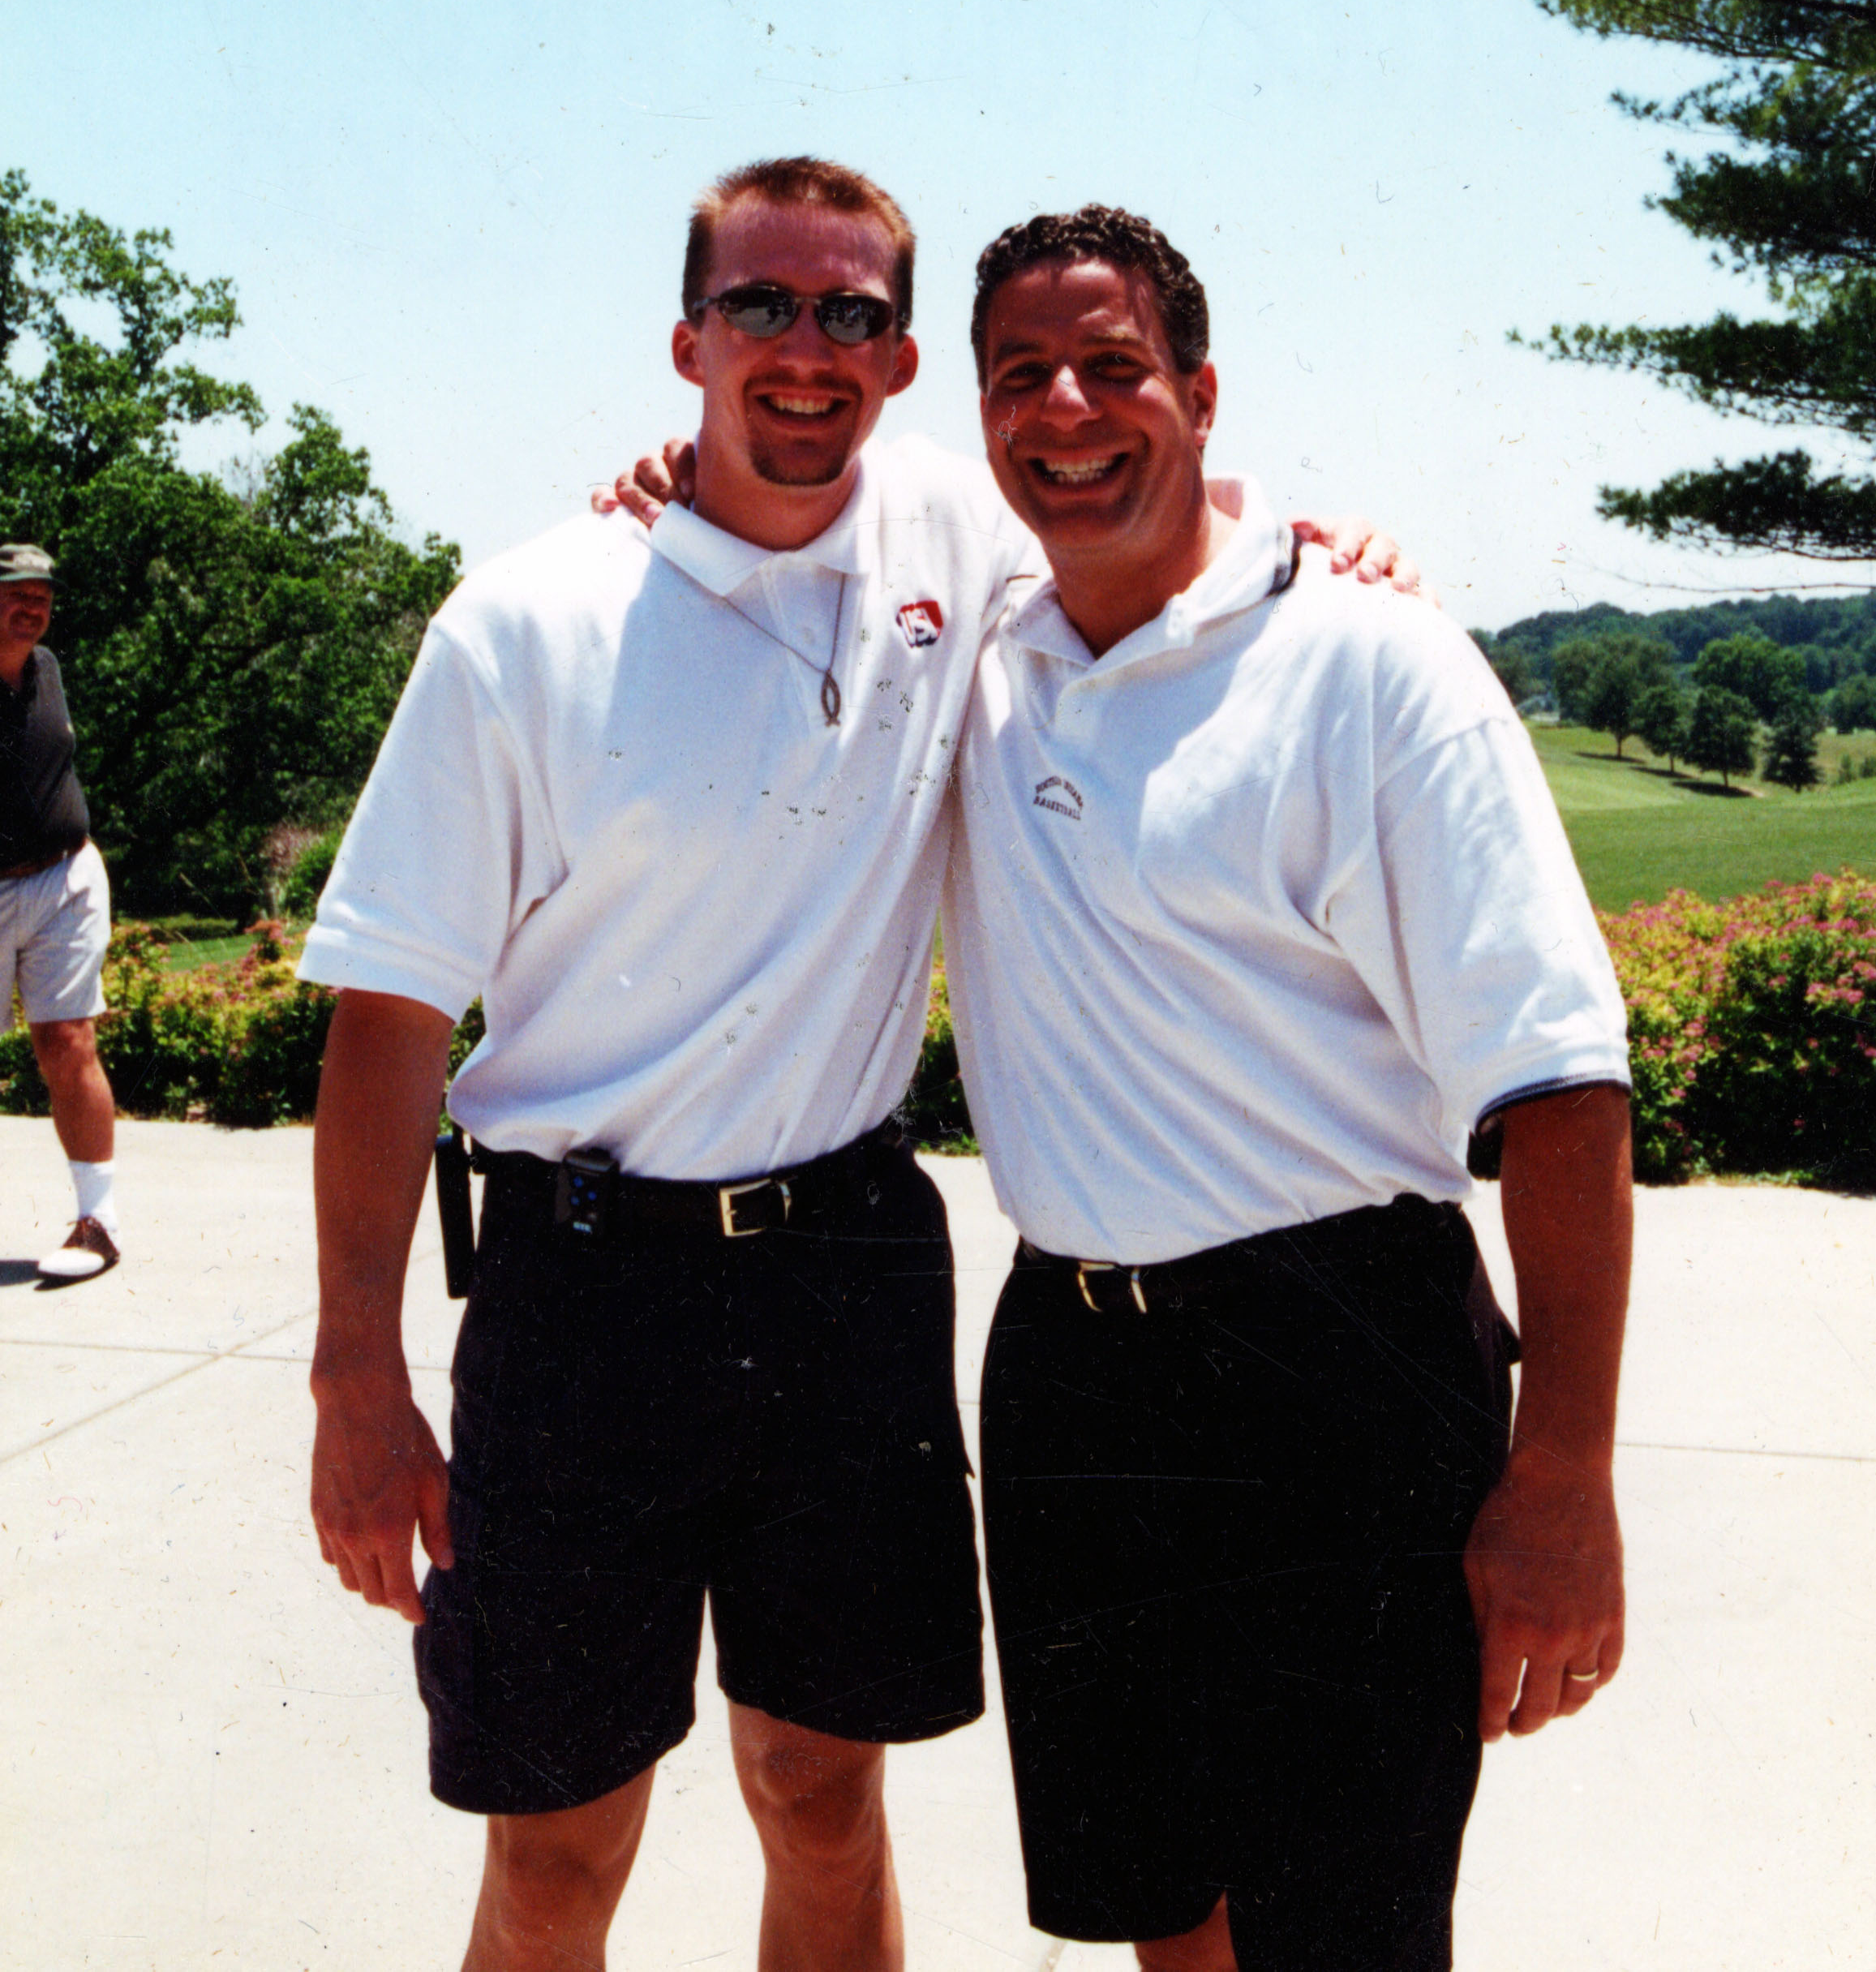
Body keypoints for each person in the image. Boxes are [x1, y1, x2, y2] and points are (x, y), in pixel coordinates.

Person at [302, 154, 1405, 1972]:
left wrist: (1324, 549)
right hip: (582, 1288)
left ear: (899, 362)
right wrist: (355, 1374)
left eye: (850, 313)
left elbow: (1165, 534)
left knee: (823, 1791)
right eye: (760, 304)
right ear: (687, 340)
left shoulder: (960, 541)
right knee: (558, 1843)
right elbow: (388, 1020)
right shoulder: (524, 623)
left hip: (843, 1270)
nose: (803, 346)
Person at [942, 205, 1633, 1972]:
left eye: (1112, 364)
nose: (1064, 407)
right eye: (1020, 373)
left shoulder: (1370, 662)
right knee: (1162, 1913)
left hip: (1336, 1365)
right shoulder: (979, 652)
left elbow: (1561, 1085)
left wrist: (1562, 1469)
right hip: (1070, 1371)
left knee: (1344, 1929)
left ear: (1200, 394)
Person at [0, 543, 122, 1282]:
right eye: (17, 593)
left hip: (65, 878)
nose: (33, 606)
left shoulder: (46, 669)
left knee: (68, 1042)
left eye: (42, 595)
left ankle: (98, 1223)